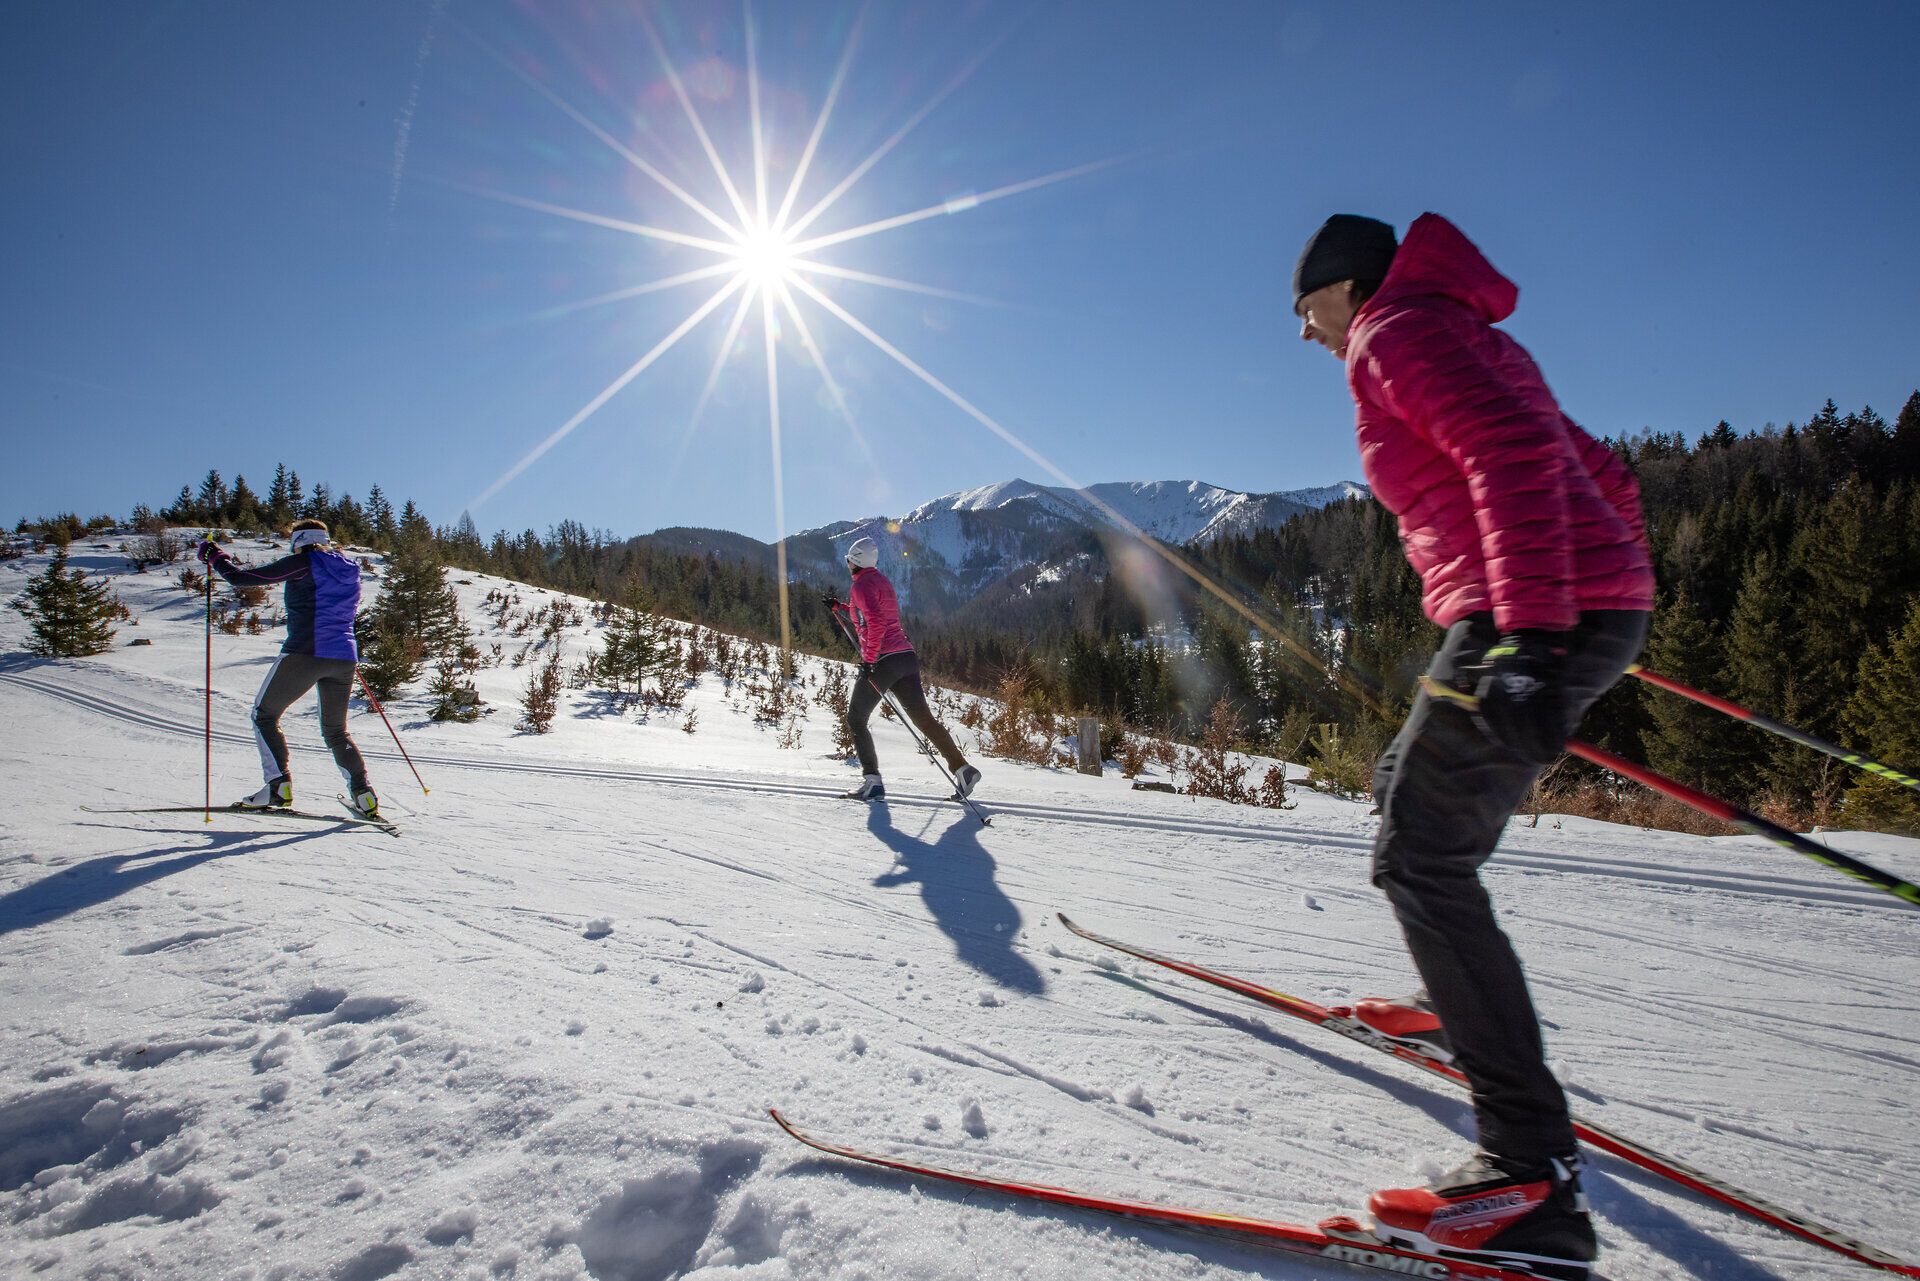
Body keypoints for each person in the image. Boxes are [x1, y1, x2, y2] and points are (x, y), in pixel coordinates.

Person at [1292, 213, 1654, 1279]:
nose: (1306, 335)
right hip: (1542, 606)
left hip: (1522, 617)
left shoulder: (1395, 331)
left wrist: (1543, 634)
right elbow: (1602, 472)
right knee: (1408, 796)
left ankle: (1529, 1181)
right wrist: (1610, 593)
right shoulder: (1449, 326)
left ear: (1345, 288)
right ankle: (1463, 1009)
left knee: (1420, 855)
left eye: (1306, 310)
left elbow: (1509, 452)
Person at [198, 519, 380, 818]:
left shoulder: (304, 562)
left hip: (305, 652)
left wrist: (215, 556)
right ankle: (364, 796)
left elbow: (242, 579)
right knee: (336, 731)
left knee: (264, 715)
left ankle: (277, 786)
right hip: (344, 657)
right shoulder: (348, 568)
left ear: (299, 541)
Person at [822, 536, 981, 803]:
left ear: (854, 562)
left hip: (884, 660)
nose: (847, 564)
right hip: (905, 657)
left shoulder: (860, 586)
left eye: (848, 560)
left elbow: (874, 623)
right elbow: (873, 616)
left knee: (856, 718)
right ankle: (962, 769)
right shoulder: (882, 581)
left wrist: (870, 660)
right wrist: (840, 608)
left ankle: (872, 782)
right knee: (924, 720)